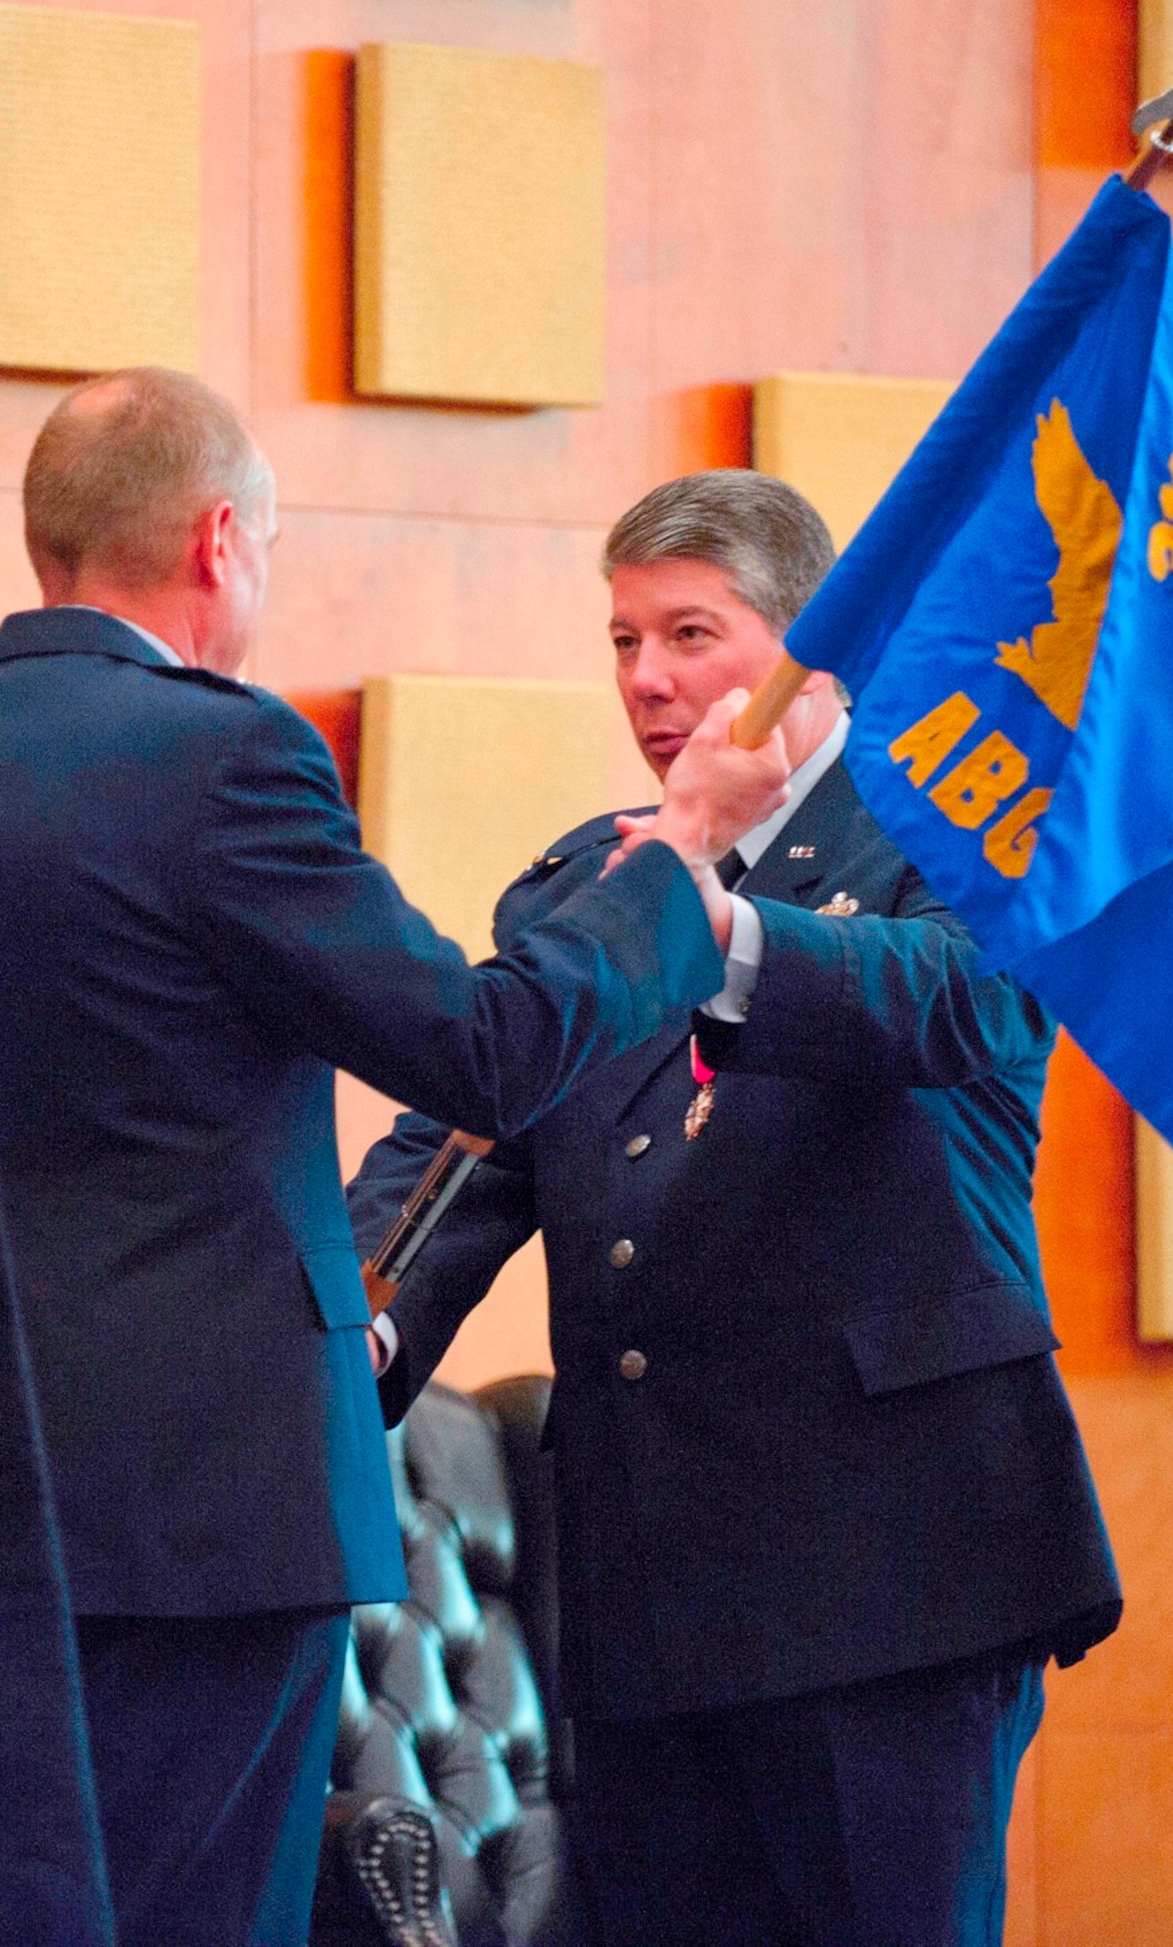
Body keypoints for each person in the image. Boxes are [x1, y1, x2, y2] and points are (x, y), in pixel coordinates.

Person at [0, 375, 789, 1947]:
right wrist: (680, 849)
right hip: (198, 1509)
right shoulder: (214, 757)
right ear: (223, 541)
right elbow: (482, 1056)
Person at [350, 469, 1123, 1947]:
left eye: (689, 634)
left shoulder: (960, 834)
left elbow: (951, 1005)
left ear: (810, 650)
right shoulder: (589, 883)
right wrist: (345, 1332)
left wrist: (711, 923)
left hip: (890, 1577)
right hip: (651, 1583)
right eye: (623, 640)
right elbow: (467, 1145)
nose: (646, 681)